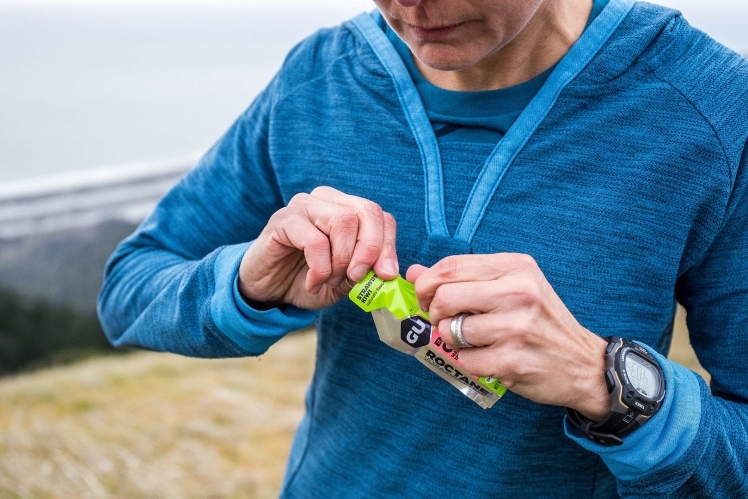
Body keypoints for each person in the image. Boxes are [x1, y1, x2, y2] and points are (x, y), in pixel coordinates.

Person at [98, 0, 748, 496]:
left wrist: (605, 381)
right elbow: (129, 286)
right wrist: (246, 282)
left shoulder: (713, 108)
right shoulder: (318, 80)